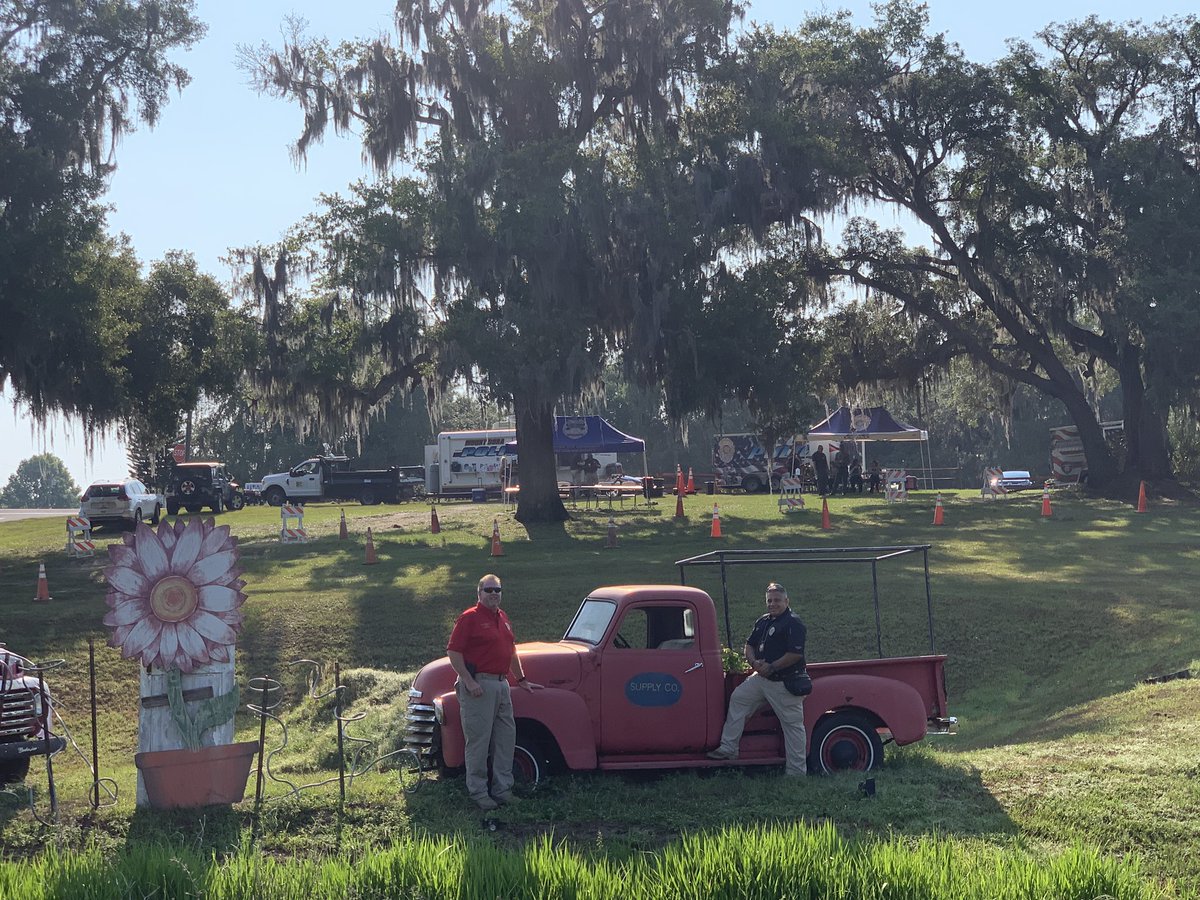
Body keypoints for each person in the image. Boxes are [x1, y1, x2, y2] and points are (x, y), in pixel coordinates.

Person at [446, 574, 541, 810]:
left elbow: (511, 651)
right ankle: (479, 792)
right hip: (479, 685)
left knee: (505, 739)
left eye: (497, 589)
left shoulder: (503, 617)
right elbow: (453, 652)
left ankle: (503, 789)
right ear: (479, 593)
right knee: (479, 741)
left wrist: (521, 679)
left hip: (501, 685)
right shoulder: (469, 618)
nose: (494, 594)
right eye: (488, 590)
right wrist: (468, 682)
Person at [707, 582, 808, 776]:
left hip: (784, 682)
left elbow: (795, 654)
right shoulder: (763, 621)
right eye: (769, 601)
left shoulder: (793, 623)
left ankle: (796, 773)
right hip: (761, 678)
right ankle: (729, 749)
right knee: (739, 698)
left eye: (777, 600)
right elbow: (749, 645)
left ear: (787, 601)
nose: (773, 604)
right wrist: (754, 663)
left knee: (793, 727)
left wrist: (772, 666)